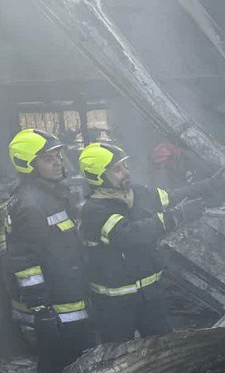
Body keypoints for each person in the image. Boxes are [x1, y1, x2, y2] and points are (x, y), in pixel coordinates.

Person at [4, 128, 93, 373]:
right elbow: (25, 263)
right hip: (55, 306)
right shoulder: (29, 204)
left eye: (57, 156)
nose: (57, 162)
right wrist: (42, 310)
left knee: (72, 362)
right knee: (54, 368)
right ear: (28, 164)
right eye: (47, 158)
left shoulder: (53, 194)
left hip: (69, 296)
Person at [78, 141, 209, 343]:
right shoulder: (94, 210)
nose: (126, 172)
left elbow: (171, 197)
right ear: (98, 176)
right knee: (117, 356)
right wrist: (174, 217)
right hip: (115, 303)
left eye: (125, 166)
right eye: (117, 169)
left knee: (164, 348)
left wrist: (211, 184)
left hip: (151, 295)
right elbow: (128, 234)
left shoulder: (137, 192)